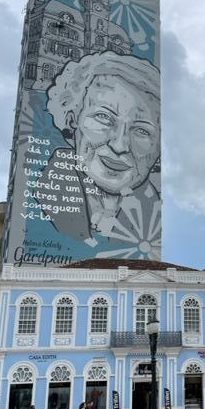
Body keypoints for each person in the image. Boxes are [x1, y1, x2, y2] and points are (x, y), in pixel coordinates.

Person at [40, 52, 161, 258]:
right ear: (72, 119)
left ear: (158, 151)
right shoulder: (44, 197)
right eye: (103, 117)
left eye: (141, 130)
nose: (120, 145)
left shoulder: (152, 219)